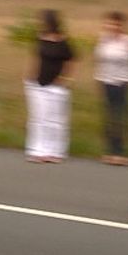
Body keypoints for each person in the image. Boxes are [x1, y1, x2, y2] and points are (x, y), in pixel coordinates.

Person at [24, 10, 77, 163]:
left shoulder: (63, 41)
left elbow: (71, 60)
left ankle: (56, 151)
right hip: (38, 82)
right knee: (38, 117)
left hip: (57, 85)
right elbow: (36, 57)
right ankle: (37, 149)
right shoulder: (40, 38)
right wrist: (30, 73)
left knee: (56, 120)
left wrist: (65, 78)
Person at [93, 11, 128, 165]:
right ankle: (109, 150)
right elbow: (98, 61)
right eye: (110, 23)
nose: (113, 26)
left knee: (121, 117)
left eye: (116, 24)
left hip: (123, 82)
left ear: (122, 26)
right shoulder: (103, 40)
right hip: (106, 81)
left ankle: (121, 152)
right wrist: (98, 79)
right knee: (108, 117)